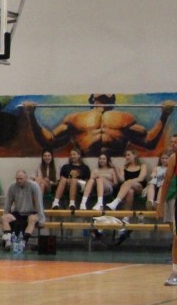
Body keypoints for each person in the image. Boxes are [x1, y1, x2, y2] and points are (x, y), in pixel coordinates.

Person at [24, 95, 175, 158]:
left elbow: (149, 142)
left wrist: (165, 115)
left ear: (113, 100)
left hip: (114, 167)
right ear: (91, 99)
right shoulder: (75, 118)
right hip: (85, 166)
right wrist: (31, 115)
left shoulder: (125, 118)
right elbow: (49, 141)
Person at [0, 170, 46, 253]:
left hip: (31, 212)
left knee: (32, 219)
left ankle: (23, 241)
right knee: (4, 218)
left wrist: (42, 219)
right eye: (17, 179)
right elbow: (8, 203)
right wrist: (4, 214)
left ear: (26, 178)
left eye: (21, 179)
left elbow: (39, 203)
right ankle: (8, 241)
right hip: (18, 212)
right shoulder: (12, 187)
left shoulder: (34, 186)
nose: (19, 181)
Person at [159, 135, 177, 286]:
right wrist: (160, 204)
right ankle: (175, 273)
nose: (174, 145)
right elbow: (166, 181)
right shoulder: (173, 158)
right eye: (173, 142)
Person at [108, 148, 149, 212]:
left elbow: (141, 178)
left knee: (129, 182)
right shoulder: (124, 167)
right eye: (126, 155)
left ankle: (116, 201)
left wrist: (130, 182)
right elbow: (122, 180)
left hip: (139, 187)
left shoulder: (142, 166)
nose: (127, 157)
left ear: (135, 155)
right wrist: (115, 168)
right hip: (127, 187)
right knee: (130, 191)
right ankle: (126, 215)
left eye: (128, 155)